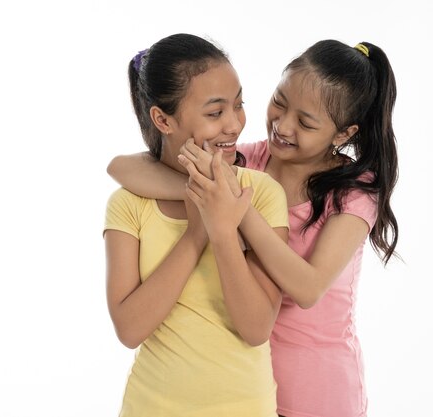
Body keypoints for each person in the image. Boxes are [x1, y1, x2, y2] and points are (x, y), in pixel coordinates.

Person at [108, 39, 399, 417]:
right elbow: (122, 167)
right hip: (246, 382)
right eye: (279, 101)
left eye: (306, 122)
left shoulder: (353, 192)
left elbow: (308, 288)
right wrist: (204, 190)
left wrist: (231, 204)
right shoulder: (250, 160)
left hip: (314, 389)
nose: (283, 124)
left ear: (343, 134)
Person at [103, 33, 289, 417]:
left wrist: (223, 230)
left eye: (239, 105)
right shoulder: (128, 205)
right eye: (215, 113)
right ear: (162, 119)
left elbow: (256, 328)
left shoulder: (262, 194)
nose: (235, 124)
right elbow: (129, 329)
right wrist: (197, 230)